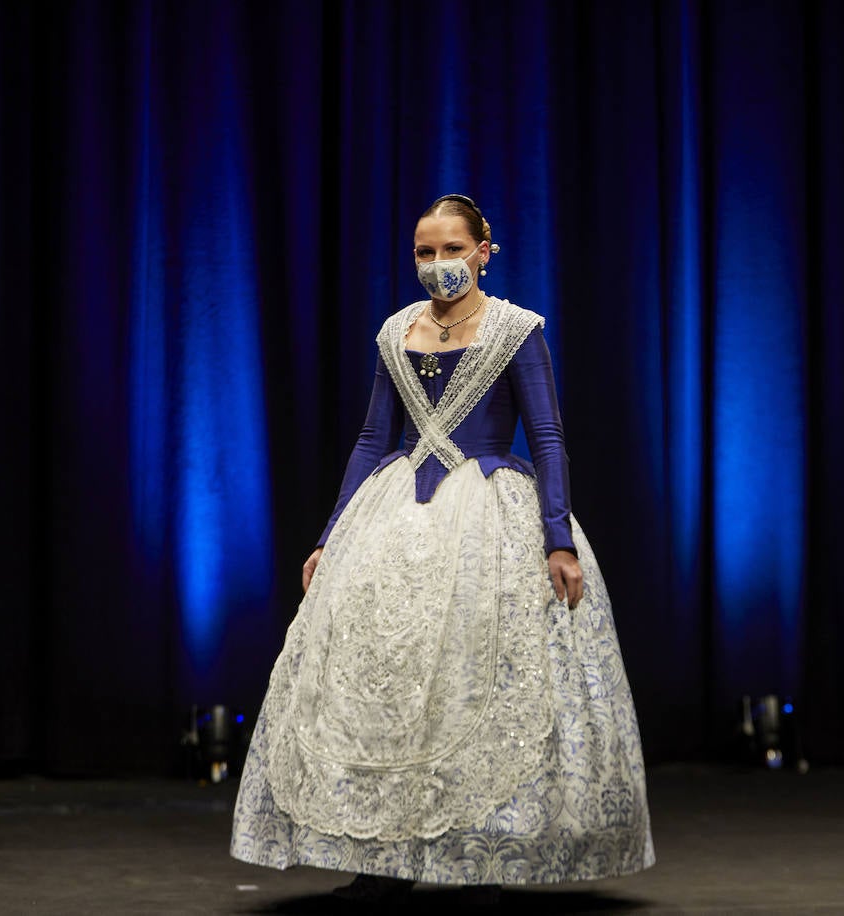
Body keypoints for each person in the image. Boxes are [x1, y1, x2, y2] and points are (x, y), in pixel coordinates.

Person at [230, 194, 654, 904]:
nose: (438, 265)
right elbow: (373, 439)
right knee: (383, 680)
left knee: (474, 681)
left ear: (485, 250)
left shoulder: (515, 330)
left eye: (452, 249)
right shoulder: (398, 331)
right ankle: (379, 857)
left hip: (488, 515)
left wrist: (558, 539)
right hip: (396, 517)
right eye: (425, 252)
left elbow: (546, 439)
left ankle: (475, 854)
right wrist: (330, 536)